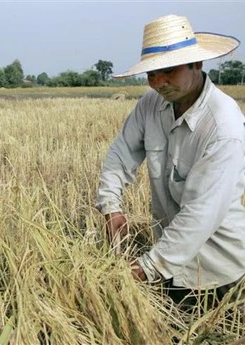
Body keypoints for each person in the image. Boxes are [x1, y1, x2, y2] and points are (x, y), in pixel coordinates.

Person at [96, 14, 245, 308]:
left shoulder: (223, 128)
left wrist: (146, 268)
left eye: (169, 71)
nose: (158, 82)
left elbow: (200, 215)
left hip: (214, 271)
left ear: (197, 64)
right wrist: (111, 207)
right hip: (167, 260)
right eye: (151, 74)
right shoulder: (151, 105)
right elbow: (120, 154)